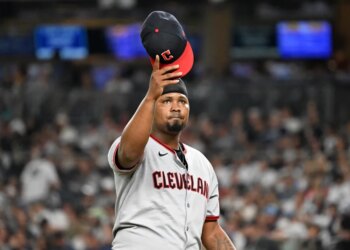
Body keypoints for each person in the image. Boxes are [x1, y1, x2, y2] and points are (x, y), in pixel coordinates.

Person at [107, 55, 236, 249]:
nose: (176, 107)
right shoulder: (138, 146)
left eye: (182, 101)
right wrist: (150, 96)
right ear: (152, 107)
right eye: (167, 101)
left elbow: (212, 232)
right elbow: (128, 154)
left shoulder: (202, 164)